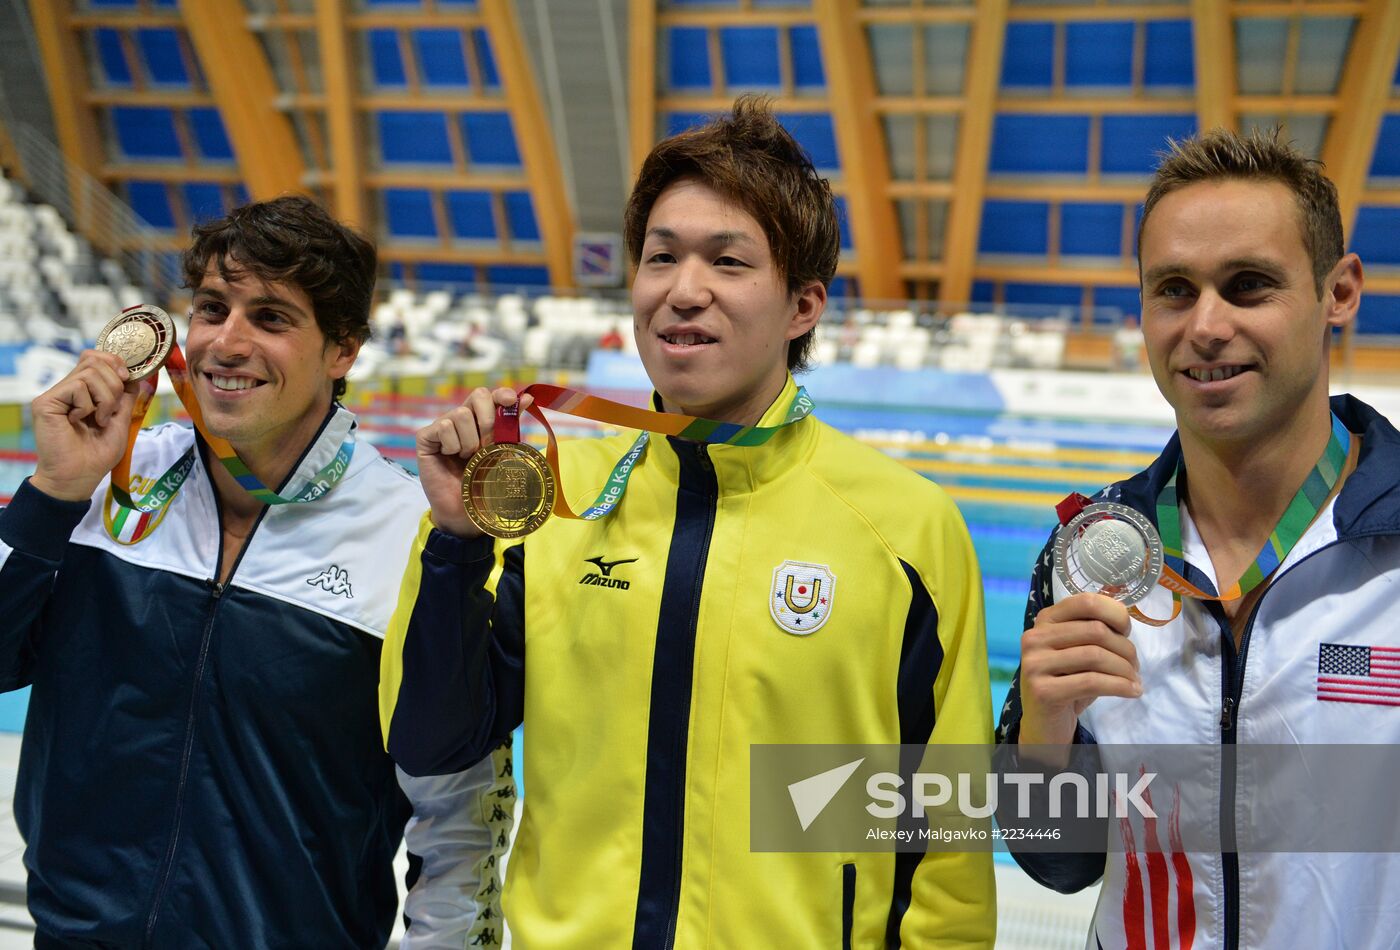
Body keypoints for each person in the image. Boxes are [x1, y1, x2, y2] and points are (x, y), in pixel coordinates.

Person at [380, 98, 996, 947]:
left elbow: (947, 834)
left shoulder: (907, 529)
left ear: (803, 305)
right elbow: (430, 741)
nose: (683, 290)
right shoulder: (548, 502)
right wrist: (457, 545)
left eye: (728, 261)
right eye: (660, 257)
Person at [0, 195, 510, 947]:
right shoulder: (104, 482)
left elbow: (459, 818)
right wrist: (50, 494)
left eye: (270, 318)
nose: (226, 343)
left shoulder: (410, 537)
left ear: (342, 351)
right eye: (211, 308)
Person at [995, 128, 1400, 947]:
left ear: (1340, 291)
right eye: (1174, 290)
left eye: (1248, 285)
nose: (1205, 327)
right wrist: (1043, 734)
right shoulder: (1092, 550)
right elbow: (1057, 862)